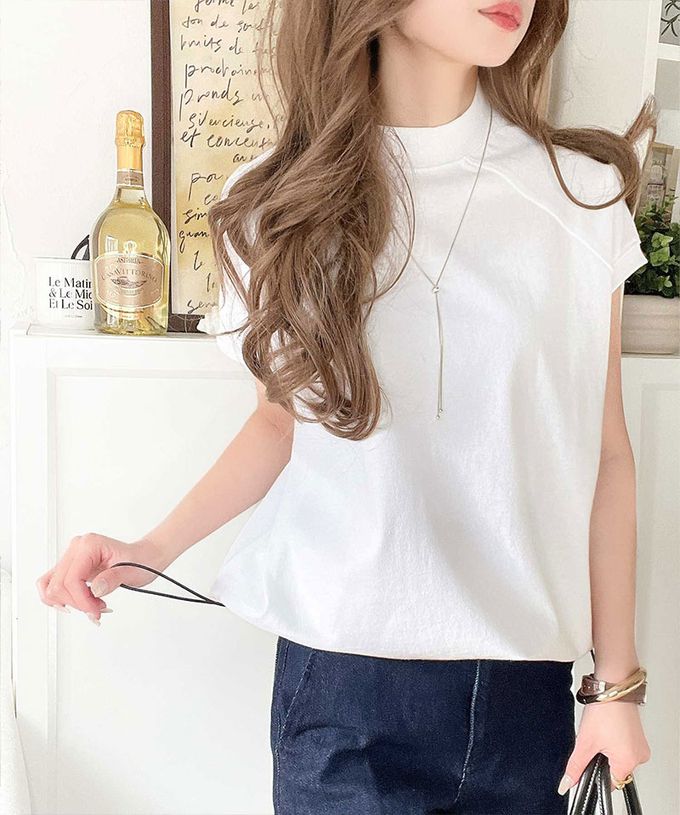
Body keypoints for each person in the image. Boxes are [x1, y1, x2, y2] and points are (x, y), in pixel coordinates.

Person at [37, 1, 655, 812]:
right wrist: (151, 547)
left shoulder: (581, 198)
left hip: (525, 704)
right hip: (343, 698)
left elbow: (606, 452)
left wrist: (618, 685)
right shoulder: (274, 207)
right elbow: (279, 423)